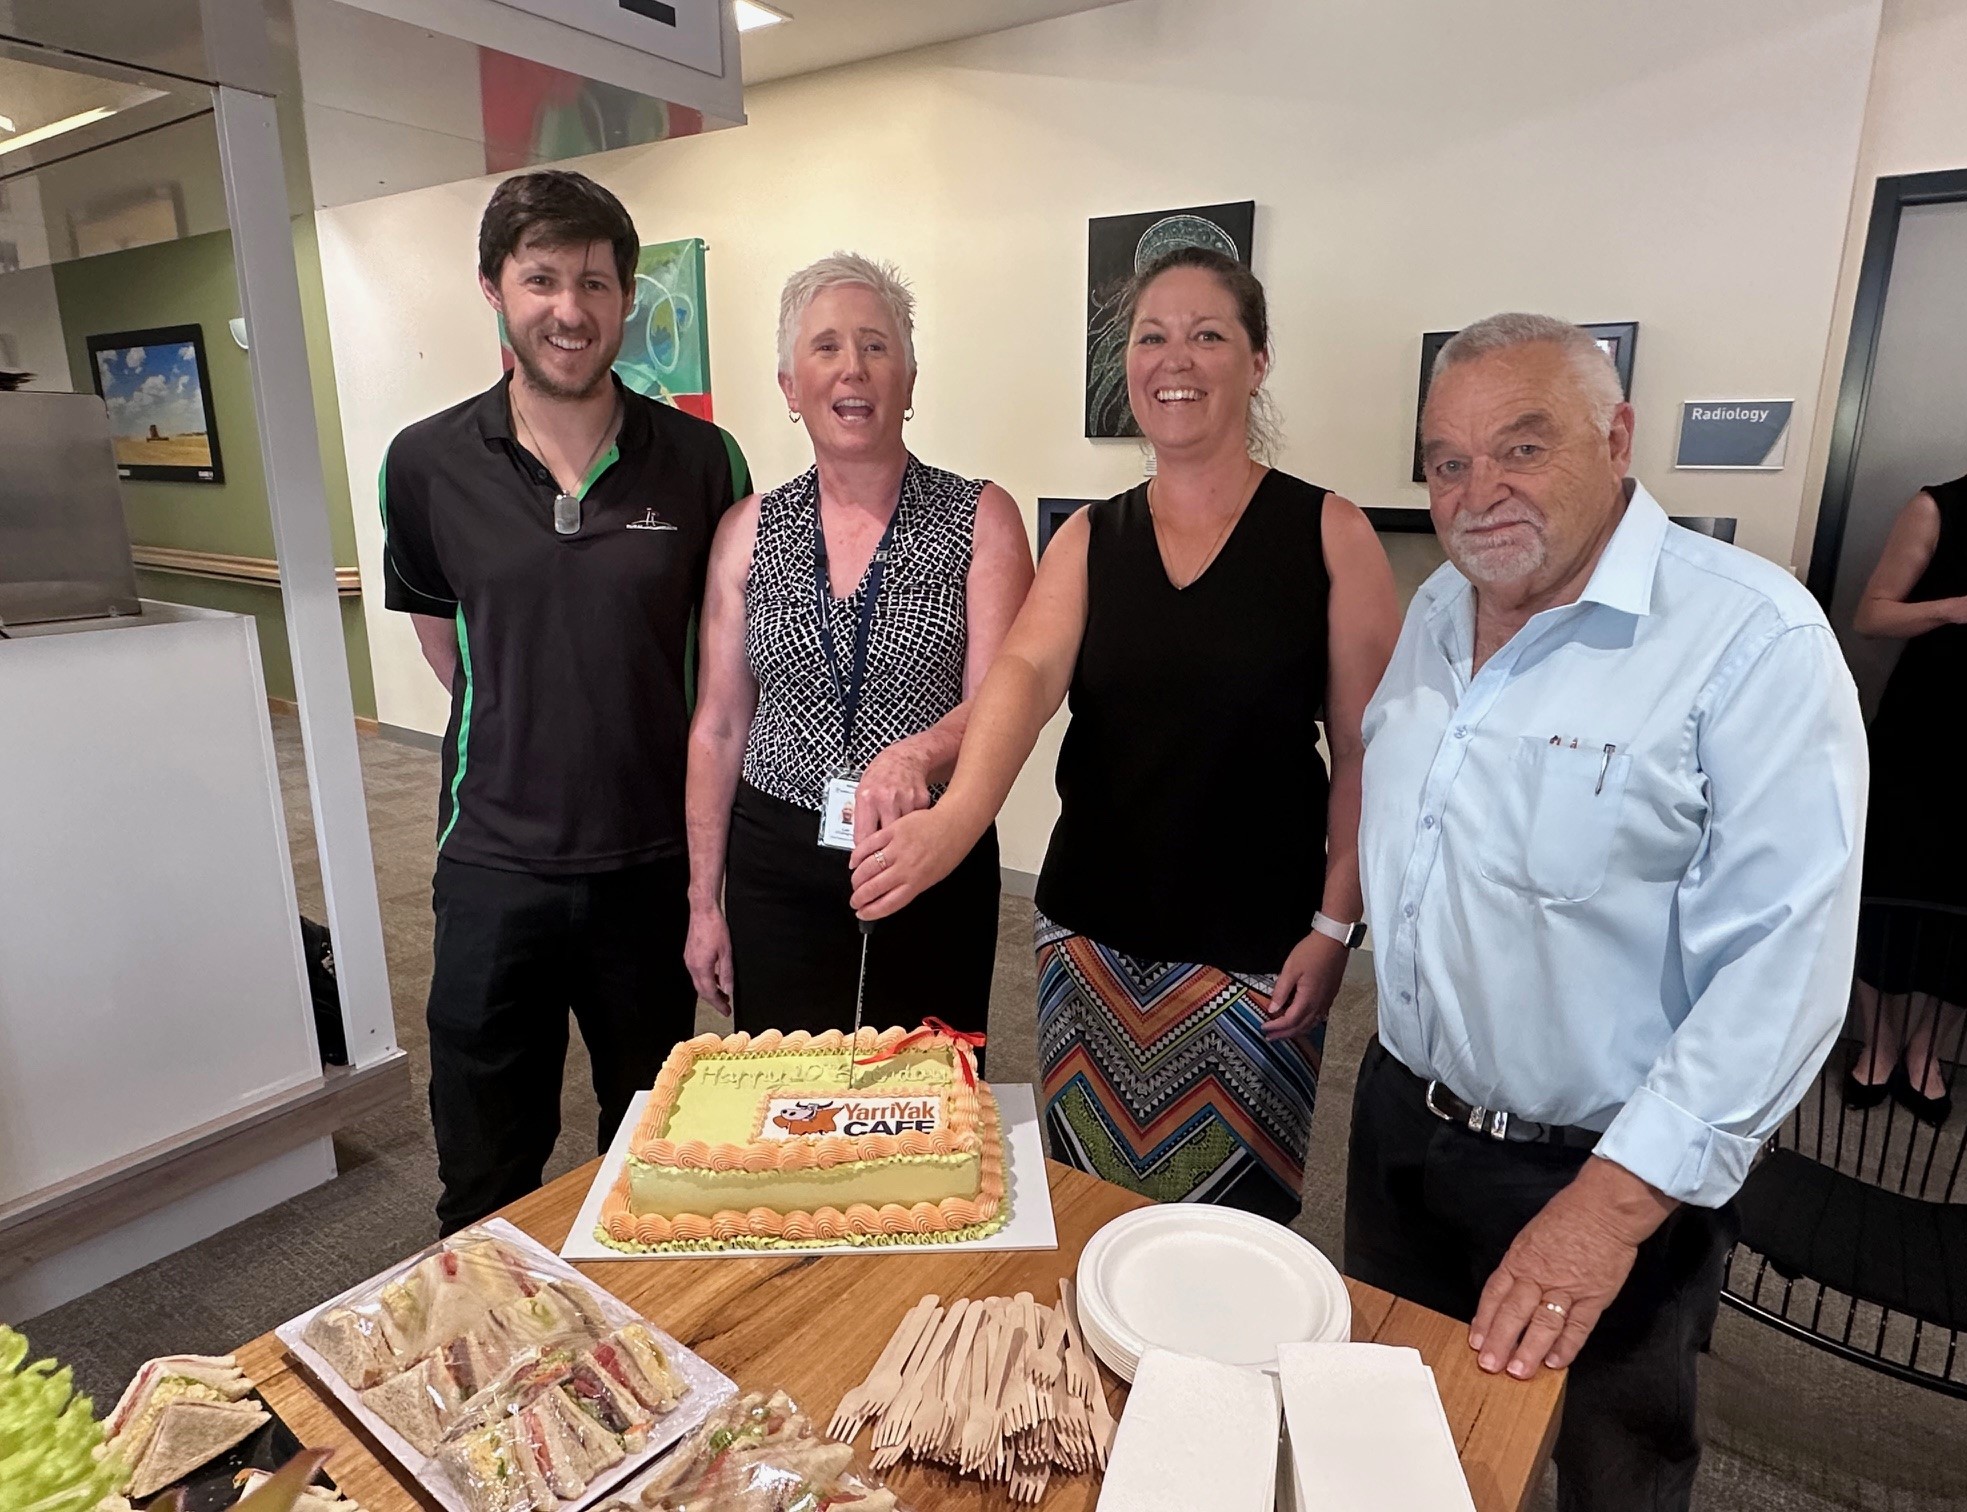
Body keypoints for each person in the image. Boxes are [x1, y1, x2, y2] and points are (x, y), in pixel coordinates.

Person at [1350, 312, 1867, 1510]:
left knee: (1607, 1471)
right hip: (1402, 1127)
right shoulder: (1439, 613)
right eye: (1448, 462)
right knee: (1394, 1435)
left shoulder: (1752, 640)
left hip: (1602, 1173)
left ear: (1618, 437)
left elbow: (1782, 971)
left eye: (1523, 448)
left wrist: (1609, 1210)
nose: (1480, 492)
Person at [848, 245, 1400, 1222]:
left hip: (1256, 959)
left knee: (1227, 1237)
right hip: (1087, 946)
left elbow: (1367, 753)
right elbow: (1022, 672)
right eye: (1152, 336)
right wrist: (960, 814)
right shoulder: (1090, 538)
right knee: (1088, 1220)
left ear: (1257, 362)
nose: (1174, 358)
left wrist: (1334, 923)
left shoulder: (1328, 532)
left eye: (1207, 335)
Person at [380, 171, 750, 1236]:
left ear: (626, 295)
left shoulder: (701, 460)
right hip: (494, 865)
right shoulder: (424, 462)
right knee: (487, 1167)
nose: (570, 309)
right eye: (541, 278)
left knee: (650, 1158)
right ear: (493, 286)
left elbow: (726, 667)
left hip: (650, 868)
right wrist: (529, 725)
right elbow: (444, 634)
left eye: (594, 281)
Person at [683, 253, 1033, 1038]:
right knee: (786, 1096)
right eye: (827, 347)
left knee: (925, 1094)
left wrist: (917, 756)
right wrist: (705, 900)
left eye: (877, 347)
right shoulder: (746, 532)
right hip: (775, 858)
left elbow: (1001, 705)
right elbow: (718, 725)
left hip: (930, 848)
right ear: (788, 387)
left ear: (909, 381)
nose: (854, 369)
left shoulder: (981, 520)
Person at [1846, 375, 1967, 1125]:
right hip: (1924, 742)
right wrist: (1962, 607)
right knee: (1889, 891)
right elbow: (1871, 617)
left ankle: (1926, 1053)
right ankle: (1876, 1044)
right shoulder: (1939, 505)